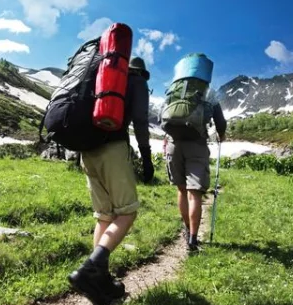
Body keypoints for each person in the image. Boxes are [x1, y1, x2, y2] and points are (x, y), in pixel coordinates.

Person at [69, 56, 154, 304]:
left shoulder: (99, 75)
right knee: (127, 213)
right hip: (113, 149)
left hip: (88, 150)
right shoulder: (136, 80)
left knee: (104, 216)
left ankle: (99, 281)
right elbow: (139, 119)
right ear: (142, 72)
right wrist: (146, 157)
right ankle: (90, 270)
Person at [163, 69, 227, 253]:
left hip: (174, 144)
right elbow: (220, 122)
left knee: (181, 190)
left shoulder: (175, 89)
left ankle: (187, 228)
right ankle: (193, 239)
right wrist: (221, 135)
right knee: (194, 193)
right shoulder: (209, 92)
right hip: (196, 144)